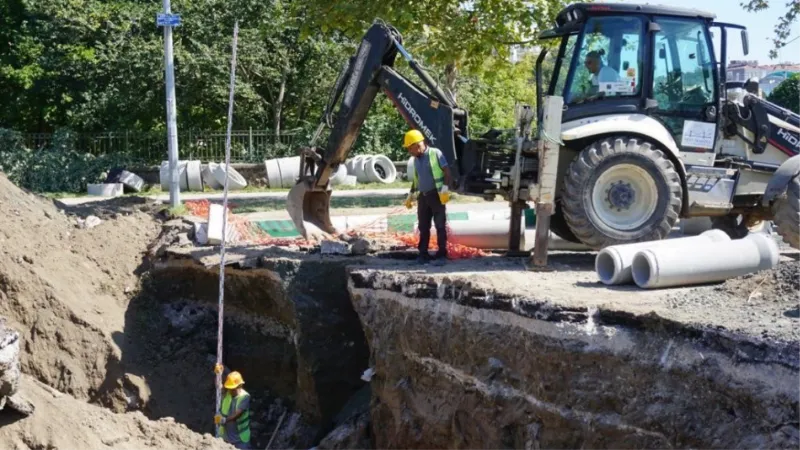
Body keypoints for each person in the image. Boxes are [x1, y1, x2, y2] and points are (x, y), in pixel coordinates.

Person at [403, 129, 454, 265]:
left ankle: (442, 253)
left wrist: (444, 190)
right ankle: (423, 253)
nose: (410, 152)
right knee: (423, 226)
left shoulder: (435, 154)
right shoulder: (415, 160)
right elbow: (416, 179)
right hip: (423, 197)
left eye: (410, 149)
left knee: (440, 226)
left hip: (436, 195)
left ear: (418, 145)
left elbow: (447, 173)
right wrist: (411, 195)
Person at [214, 371, 251, 450]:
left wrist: (224, 420)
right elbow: (218, 385)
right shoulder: (227, 393)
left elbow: (237, 414)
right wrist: (218, 373)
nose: (230, 391)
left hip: (240, 439)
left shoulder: (245, 397)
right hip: (225, 436)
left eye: (233, 389)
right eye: (229, 388)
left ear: (240, 386)